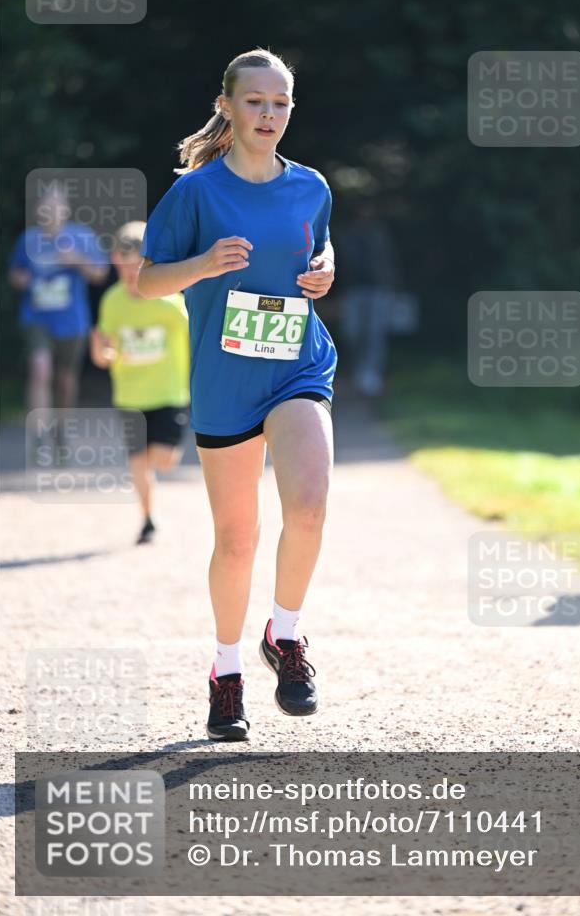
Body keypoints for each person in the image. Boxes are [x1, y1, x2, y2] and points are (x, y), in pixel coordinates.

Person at [137, 48, 337, 741]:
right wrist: (202, 264)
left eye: (280, 103)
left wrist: (323, 273)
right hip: (226, 382)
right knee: (238, 536)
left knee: (308, 506)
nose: (269, 114)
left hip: (295, 366)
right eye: (256, 101)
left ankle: (284, 637)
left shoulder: (311, 185)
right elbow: (146, 281)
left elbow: (318, 250)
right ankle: (226, 675)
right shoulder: (196, 192)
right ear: (227, 106)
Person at [90, 221, 191, 545]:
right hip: (130, 396)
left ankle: (150, 483)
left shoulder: (170, 301)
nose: (131, 274)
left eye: (138, 266)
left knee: (162, 460)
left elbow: (196, 338)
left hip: (169, 394)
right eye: (124, 267)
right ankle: (148, 520)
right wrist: (101, 352)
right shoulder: (112, 301)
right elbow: (103, 354)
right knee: (137, 464)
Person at [8, 183, 109, 434]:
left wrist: (76, 260)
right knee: (40, 370)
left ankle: (61, 431)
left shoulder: (81, 237)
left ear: (65, 209)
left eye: (56, 205)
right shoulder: (28, 240)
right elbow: (15, 274)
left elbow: (100, 274)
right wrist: (20, 279)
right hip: (36, 317)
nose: (51, 210)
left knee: (65, 380)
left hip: (72, 321)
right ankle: (39, 434)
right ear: (39, 209)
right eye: (46, 205)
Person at [338, 199, 399, 397]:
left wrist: (392, 288)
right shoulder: (346, 235)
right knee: (353, 331)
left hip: (378, 289)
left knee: (375, 332)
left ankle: (371, 373)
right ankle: (358, 370)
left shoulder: (379, 234)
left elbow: (387, 262)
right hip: (353, 289)